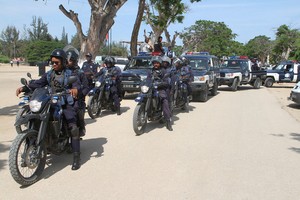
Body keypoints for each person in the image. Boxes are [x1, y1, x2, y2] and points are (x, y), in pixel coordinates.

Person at [16, 49, 82, 170]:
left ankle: (76, 157)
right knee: (36, 115)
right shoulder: (49, 74)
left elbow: (76, 84)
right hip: (51, 100)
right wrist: (25, 87)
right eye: (52, 62)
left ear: (63, 62)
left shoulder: (70, 74)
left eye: (57, 62)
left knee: (72, 126)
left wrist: (75, 89)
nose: (54, 64)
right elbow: (38, 83)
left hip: (65, 101)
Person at [66, 50, 89, 138]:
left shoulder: (80, 72)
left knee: (76, 108)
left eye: (70, 60)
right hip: (62, 97)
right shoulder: (60, 71)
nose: (68, 62)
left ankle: (80, 128)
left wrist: (80, 95)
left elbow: (86, 87)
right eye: (67, 60)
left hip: (75, 98)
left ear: (75, 61)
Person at [146, 56, 173, 131]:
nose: (156, 64)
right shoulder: (150, 71)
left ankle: (168, 121)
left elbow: (166, 81)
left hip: (160, 89)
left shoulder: (164, 71)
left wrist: (160, 84)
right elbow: (147, 79)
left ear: (160, 63)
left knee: (164, 101)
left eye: (157, 63)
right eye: (154, 63)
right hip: (151, 88)